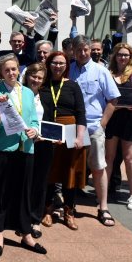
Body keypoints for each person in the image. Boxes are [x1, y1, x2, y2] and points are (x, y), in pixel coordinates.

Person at [0, 54, 45, 256]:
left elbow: (35, 120)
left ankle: (26, 234)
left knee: (24, 194)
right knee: (1, 194)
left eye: (14, 69)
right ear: (1, 73)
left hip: (26, 147)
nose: (11, 73)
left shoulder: (28, 92)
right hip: (3, 148)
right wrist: (0, 108)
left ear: (19, 69)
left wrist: (34, 131)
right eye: (7, 70)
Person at [68, 36, 119, 227]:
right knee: (71, 167)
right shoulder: (68, 69)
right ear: (73, 50)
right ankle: (68, 205)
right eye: (79, 50)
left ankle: (103, 207)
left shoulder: (101, 71)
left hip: (93, 125)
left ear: (90, 49)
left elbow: (113, 99)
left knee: (98, 167)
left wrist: (102, 124)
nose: (82, 53)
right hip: (71, 127)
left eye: (86, 50)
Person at [41, 51, 86, 230]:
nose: (57, 66)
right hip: (49, 128)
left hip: (70, 129)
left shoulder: (73, 86)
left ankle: (69, 211)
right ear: (48, 64)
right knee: (50, 171)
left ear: (66, 65)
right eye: (54, 63)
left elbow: (81, 113)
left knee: (70, 173)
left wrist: (80, 136)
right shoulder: (43, 84)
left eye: (61, 63)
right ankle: (47, 209)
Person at [102, 43, 132, 211]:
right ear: (115, 56)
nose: (122, 57)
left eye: (126, 55)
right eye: (120, 54)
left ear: (131, 57)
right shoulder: (108, 74)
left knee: (130, 157)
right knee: (109, 157)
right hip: (112, 119)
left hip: (131, 119)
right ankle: (104, 191)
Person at [23, 62, 51, 238]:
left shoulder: (46, 96)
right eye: (33, 76)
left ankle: (35, 219)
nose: (36, 80)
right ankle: (21, 219)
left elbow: (51, 120)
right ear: (27, 76)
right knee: (24, 182)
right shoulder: (18, 93)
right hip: (23, 143)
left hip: (43, 144)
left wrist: (46, 135)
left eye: (40, 78)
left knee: (40, 184)